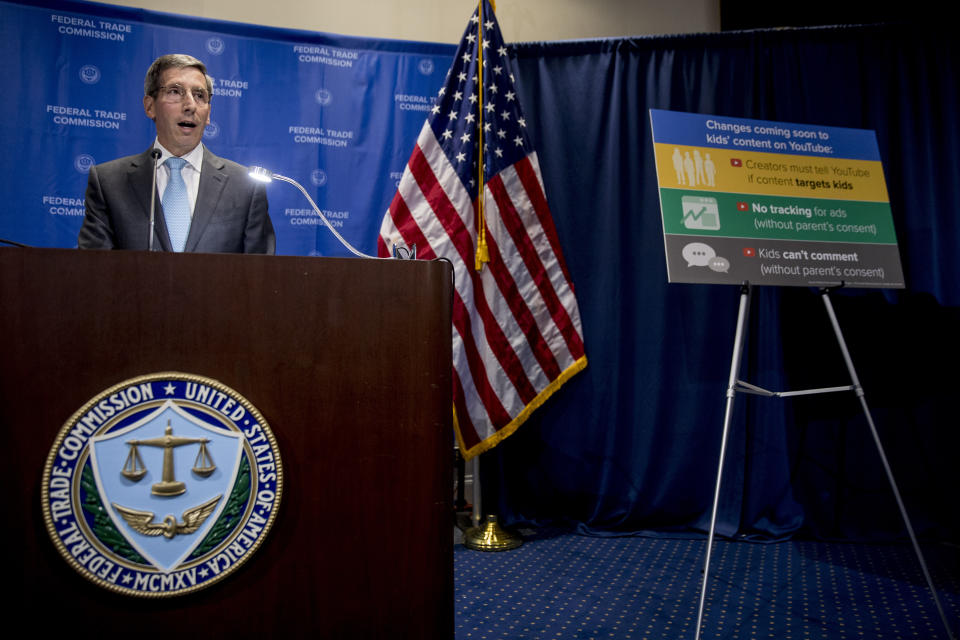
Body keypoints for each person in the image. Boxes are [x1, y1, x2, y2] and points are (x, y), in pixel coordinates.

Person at [78, 54, 275, 253]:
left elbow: (260, 276)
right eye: (175, 92)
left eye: (200, 95)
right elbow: (94, 272)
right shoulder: (108, 183)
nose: (190, 105)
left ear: (209, 113)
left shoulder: (245, 188)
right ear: (149, 106)